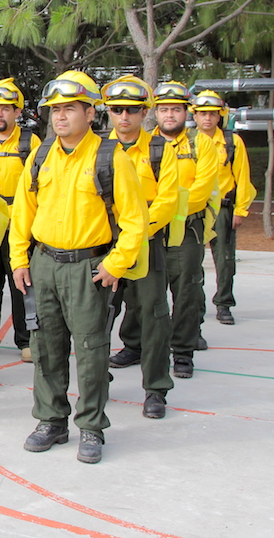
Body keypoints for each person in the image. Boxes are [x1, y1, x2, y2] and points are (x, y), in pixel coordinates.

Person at [11, 71, 147, 464]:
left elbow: (134, 220)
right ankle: (51, 421)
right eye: (55, 110)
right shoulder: (40, 155)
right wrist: (20, 258)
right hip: (44, 265)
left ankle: (91, 427)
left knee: (90, 350)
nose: (60, 117)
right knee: (45, 347)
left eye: (69, 108)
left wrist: (116, 265)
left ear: (90, 112)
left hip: (89, 267)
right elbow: (23, 212)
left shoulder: (110, 156)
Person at [102, 76, 179, 418]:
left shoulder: (161, 150)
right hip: (104, 245)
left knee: (154, 316)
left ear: (144, 112)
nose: (124, 117)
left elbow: (167, 201)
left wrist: (136, 232)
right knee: (99, 316)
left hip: (147, 244)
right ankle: (95, 382)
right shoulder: (98, 150)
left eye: (132, 110)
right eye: (117, 110)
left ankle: (156, 390)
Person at [132, 82, 218, 379]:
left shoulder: (201, 143)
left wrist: (169, 210)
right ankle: (134, 345)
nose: (170, 115)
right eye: (165, 109)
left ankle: (182, 351)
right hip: (151, 228)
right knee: (139, 290)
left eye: (176, 110)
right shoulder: (146, 141)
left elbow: (202, 188)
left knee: (186, 292)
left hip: (185, 230)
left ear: (186, 112)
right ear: (155, 112)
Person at [0, 78, 41, 363]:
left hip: (19, 225)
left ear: (18, 112)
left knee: (22, 284)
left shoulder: (31, 142)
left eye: (6, 108)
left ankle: (26, 339)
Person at [190, 90, 256, 326]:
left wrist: (240, 210)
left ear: (220, 117)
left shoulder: (232, 142)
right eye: (202, 113)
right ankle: (193, 306)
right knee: (190, 260)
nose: (207, 118)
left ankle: (224, 304)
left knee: (225, 259)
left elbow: (243, 177)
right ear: (194, 116)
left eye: (212, 114)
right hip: (193, 210)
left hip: (223, 210)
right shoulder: (187, 141)